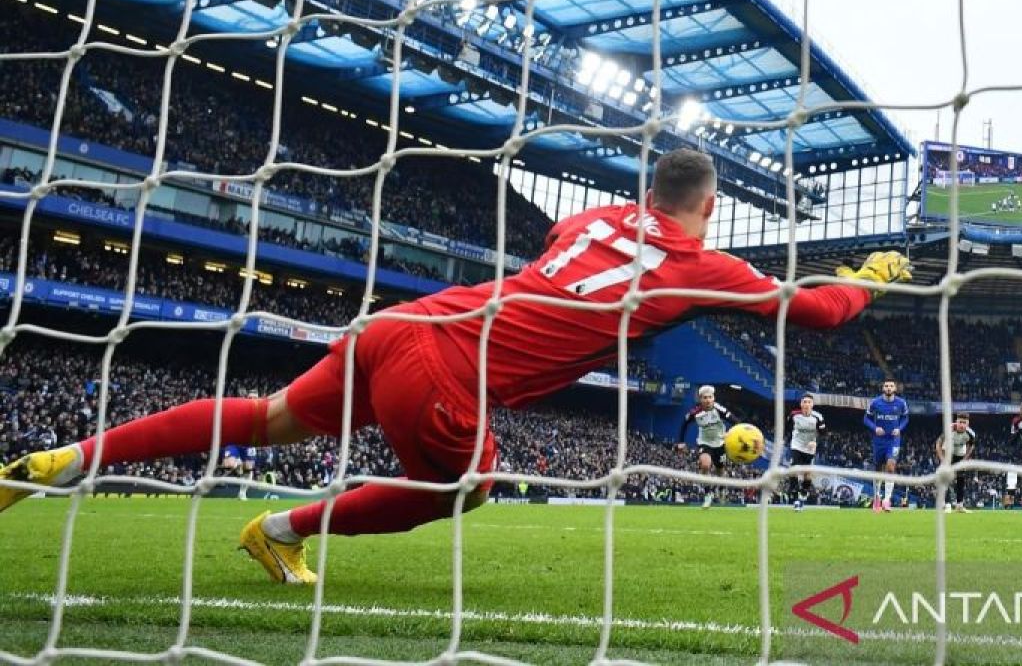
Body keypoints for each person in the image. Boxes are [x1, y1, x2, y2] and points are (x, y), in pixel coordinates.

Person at [0, 149, 912, 583]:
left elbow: (570, 246)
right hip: (442, 372)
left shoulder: (590, 217)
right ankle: (281, 529)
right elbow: (823, 310)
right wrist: (869, 278)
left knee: (264, 415)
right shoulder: (699, 263)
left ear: (646, 194)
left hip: (405, 323)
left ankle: (59, 464)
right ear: (708, 206)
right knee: (461, 492)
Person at [675, 385, 737, 509]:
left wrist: (730, 433)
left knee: (720, 470)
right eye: (705, 398)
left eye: (710, 397)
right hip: (704, 443)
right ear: (700, 399)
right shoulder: (695, 412)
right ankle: (708, 495)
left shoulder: (719, 409)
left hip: (720, 444)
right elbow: (684, 423)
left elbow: (736, 421)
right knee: (705, 465)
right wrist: (681, 442)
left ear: (714, 398)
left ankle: (721, 488)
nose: (708, 400)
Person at [864, 379, 908, 513]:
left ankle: (887, 500)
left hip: (893, 440)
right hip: (879, 440)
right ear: (883, 388)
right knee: (878, 469)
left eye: (891, 386)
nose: (889, 388)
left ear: (895, 388)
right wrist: (875, 427)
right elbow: (866, 419)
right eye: (886, 386)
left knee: (890, 466)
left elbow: (906, 418)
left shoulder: (901, 403)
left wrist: (899, 428)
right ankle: (876, 498)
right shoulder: (875, 402)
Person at [787, 393, 825, 510]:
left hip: (810, 449)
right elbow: (788, 427)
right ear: (801, 404)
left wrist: (815, 442)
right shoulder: (794, 415)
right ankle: (794, 493)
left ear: (812, 404)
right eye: (804, 402)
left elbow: (823, 433)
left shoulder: (818, 417)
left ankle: (803, 495)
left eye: (809, 402)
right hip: (796, 445)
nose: (806, 404)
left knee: (807, 474)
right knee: (793, 468)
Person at [935, 413, 976, 513]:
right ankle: (946, 504)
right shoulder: (949, 430)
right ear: (956, 422)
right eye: (960, 422)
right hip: (947, 453)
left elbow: (971, 446)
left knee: (961, 479)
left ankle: (959, 506)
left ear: (968, 424)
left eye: (964, 423)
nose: (962, 425)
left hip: (960, 454)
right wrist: (942, 459)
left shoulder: (971, 434)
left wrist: (965, 459)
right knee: (946, 478)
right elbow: (938, 443)